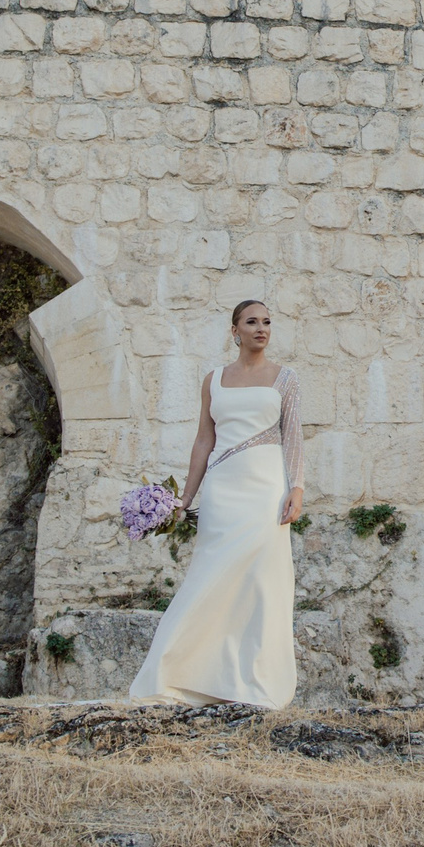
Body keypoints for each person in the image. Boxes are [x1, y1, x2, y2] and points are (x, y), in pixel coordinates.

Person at [129, 300, 303, 708]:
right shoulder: (214, 380)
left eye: (266, 322)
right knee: (208, 577)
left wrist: (297, 488)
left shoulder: (286, 378)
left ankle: (256, 683)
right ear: (234, 331)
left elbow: (293, 436)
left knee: (261, 581)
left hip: (266, 491)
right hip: (223, 490)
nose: (261, 328)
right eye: (251, 322)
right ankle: (179, 674)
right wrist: (184, 498)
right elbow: (204, 440)